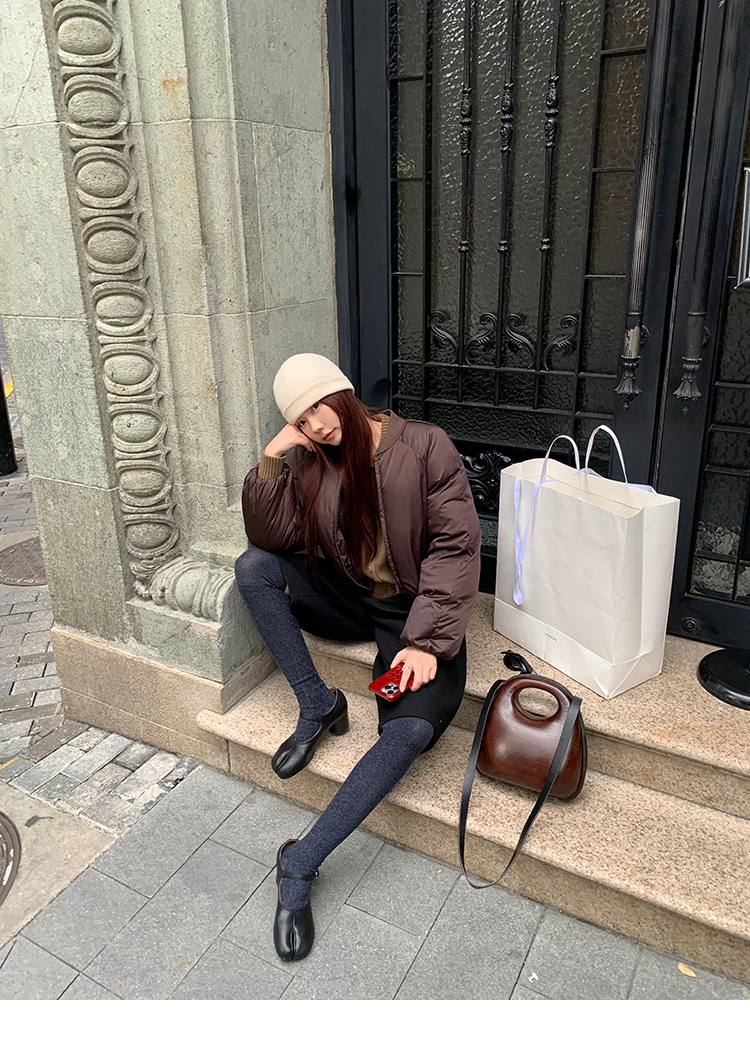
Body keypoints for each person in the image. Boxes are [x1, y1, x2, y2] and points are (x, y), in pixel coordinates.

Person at [235, 353, 481, 961]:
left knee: (411, 730)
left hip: (412, 612)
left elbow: (455, 545)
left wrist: (426, 642)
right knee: (253, 567)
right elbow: (272, 537)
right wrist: (272, 459)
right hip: (348, 596)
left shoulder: (424, 446)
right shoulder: (311, 460)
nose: (316, 425)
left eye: (319, 406)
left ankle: (300, 862)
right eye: (301, 419)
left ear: (342, 392)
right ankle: (318, 705)